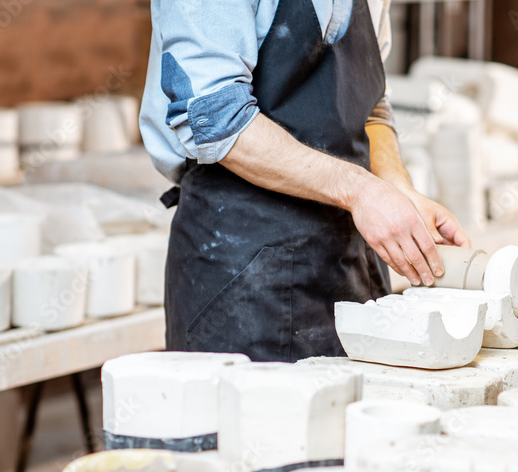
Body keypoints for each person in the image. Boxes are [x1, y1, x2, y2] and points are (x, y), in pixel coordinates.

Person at [139, 0, 471, 362]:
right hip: (242, 273)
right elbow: (217, 118)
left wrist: (396, 186)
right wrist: (360, 190)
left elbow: (370, 103)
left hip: (350, 263)